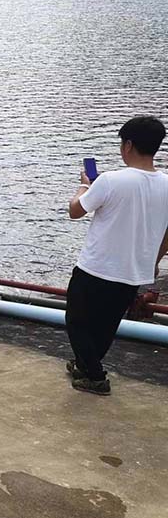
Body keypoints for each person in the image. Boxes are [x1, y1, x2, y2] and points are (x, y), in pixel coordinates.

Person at [66, 116, 168, 395]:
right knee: (106, 324)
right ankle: (86, 365)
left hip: (96, 267)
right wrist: (155, 261)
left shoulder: (110, 181)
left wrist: (85, 185)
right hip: (134, 270)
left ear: (129, 145)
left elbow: (75, 211)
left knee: (76, 321)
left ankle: (95, 376)